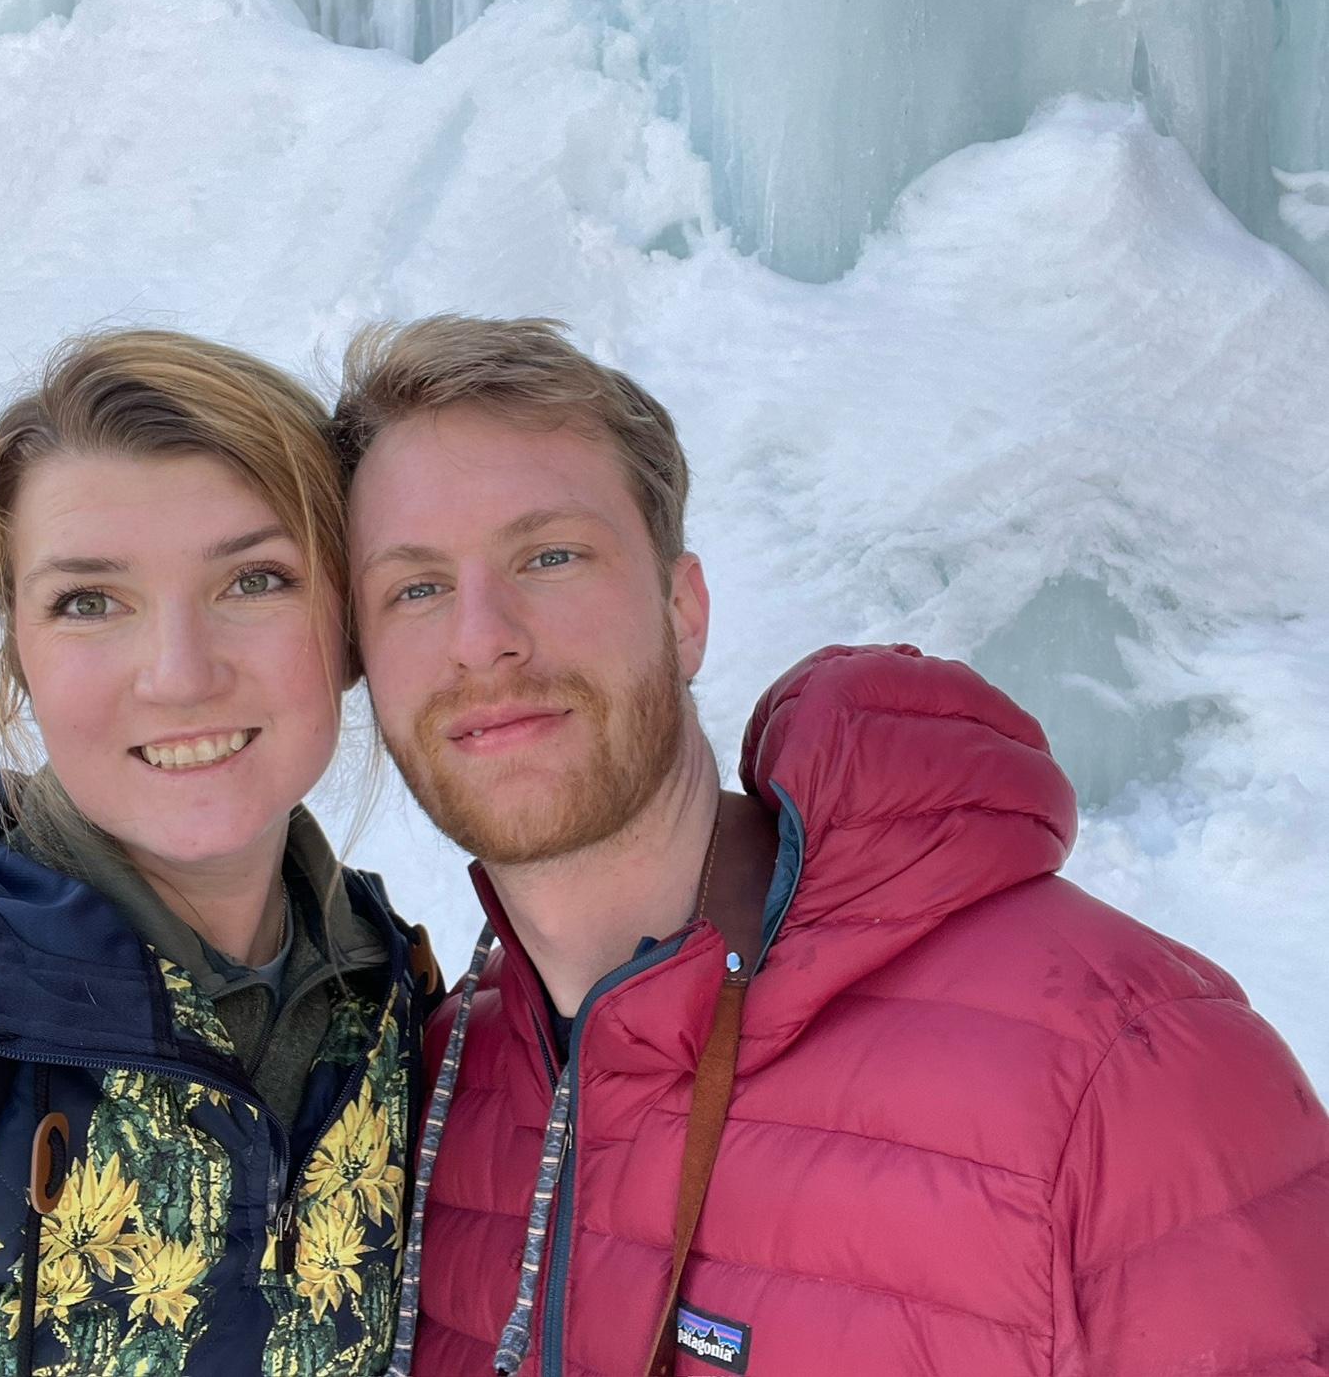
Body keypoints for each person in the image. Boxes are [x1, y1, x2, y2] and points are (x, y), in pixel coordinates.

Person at [332, 315, 1329, 1377]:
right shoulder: (419, 1102)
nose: (485, 636)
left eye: (551, 554)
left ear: (683, 612)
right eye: (417, 588)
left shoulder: (1114, 1065)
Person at [0, 330, 431, 1377]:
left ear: (347, 627)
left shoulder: (393, 1011)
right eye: (89, 602)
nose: (179, 674)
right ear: (16, 655)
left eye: (254, 580)